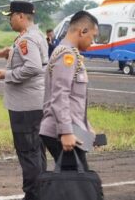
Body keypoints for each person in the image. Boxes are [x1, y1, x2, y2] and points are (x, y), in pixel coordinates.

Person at [0, 1, 48, 200]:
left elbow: (33, 67)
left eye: (11, 16)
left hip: (26, 106)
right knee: (36, 151)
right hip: (33, 103)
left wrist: (8, 74)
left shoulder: (28, 39)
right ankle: (39, 192)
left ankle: (33, 195)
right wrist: (8, 52)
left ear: (21, 16)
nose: (9, 19)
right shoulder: (33, 35)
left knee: (28, 152)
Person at [40, 10, 99, 170]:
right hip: (61, 132)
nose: (92, 42)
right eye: (93, 36)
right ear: (82, 31)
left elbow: (73, 100)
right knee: (77, 186)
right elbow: (60, 96)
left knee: (74, 184)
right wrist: (65, 132)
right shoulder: (67, 56)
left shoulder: (70, 53)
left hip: (72, 129)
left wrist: (86, 128)